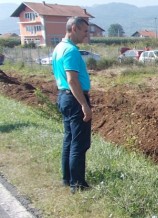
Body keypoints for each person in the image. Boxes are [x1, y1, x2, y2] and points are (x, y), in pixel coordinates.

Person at [52, 17, 92, 194]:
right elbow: (72, 80)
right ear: (74, 28)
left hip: (64, 97)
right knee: (79, 143)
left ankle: (67, 179)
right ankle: (78, 184)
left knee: (69, 140)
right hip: (75, 99)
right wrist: (84, 105)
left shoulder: (59, 48)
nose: (86, 35)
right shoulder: (70, 51)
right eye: (84, 31)